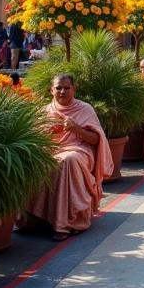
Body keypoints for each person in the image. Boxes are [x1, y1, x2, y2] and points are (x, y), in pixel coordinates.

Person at [24, 73, 112, 241]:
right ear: (51, 90)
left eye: (66, 88)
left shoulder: (85, 109)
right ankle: (35, 219)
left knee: (68, 160)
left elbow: (96, 139)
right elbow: (32, 138)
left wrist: (76, 129)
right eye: (58, 88)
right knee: (33, 159)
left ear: (74, 90)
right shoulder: (44, 111)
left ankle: (65, 223)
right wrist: (46, 132)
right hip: (51, 150)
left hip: (79, 150)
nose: (62, 91)